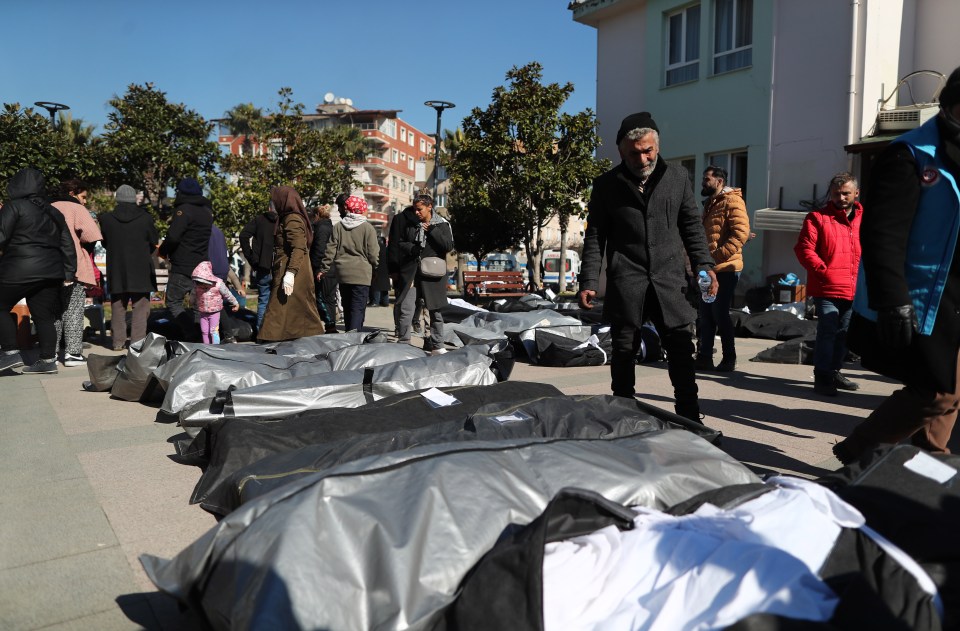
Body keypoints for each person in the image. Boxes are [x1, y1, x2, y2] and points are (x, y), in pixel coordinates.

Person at [835, 66, 960, 463]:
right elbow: (882, 235)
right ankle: (859, 451)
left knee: (952, 391)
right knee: (936, 390)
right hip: (926, 296)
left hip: (957, 295)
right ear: (951, 104)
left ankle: (924, 465)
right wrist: (893, 299)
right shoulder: (909, 154)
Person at [578, 112, 716, 422]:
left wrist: (705, 265)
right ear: (621, 152)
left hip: (670, 281)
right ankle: (623, 418)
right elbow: (595, 236)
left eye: (648, 150)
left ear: (657, 146)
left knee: (681, 352)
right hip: (627, 280)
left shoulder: (678, 177)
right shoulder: (605, 186)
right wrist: (588, 280)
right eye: (634, 153)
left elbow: (692, 227)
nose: (642, 158)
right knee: (624, 354)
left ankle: (690, 420)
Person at [0, 168, 77, 375]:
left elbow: (1, 235)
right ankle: (47, 361)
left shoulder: (14, 206)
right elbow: (67, 244)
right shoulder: (54, 212)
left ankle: (9, 352)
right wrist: (69, 272)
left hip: (19, 268)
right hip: (52, 271)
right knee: (43, 316)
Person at [794, 172, 863, 396]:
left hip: (854, 289)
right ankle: (822, 376)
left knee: (844, 333)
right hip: (826, 287)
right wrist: (824, 271)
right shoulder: (817, 218)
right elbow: (804, 249)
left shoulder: (865, 219)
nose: (841, 198)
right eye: (836, 193)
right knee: (828, 331)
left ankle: (834, 371)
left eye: (846, 193)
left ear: (856, 193)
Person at [695, 166, 750, 372]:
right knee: (706, 313)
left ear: (719, 181)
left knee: (719, 312)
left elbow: (741, 233)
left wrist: (715, 258)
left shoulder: (732, 200)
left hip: (726, 268)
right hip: (709, 270)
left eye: (706, 178)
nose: (703, 182)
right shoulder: (710, 204)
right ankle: (705, 357)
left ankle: (729, 358)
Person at [258, 186, 325, 342]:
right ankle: (308, 341)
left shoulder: (292, 219)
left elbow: (299, 248)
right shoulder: (289, 217)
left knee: (277, 311)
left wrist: (290, 273)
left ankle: (268, 342)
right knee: (300, 311)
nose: (273, 204)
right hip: (293, 272)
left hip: (292, 272)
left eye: (275, 201)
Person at [389, 194, 454, 353]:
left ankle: (437, 345)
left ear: (429, 206)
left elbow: (447, 246)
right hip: (412, 272)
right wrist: (412, 249)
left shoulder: (442, 225)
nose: (416, 212)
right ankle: (404, 343)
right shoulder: (412, 224)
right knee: (406, 307)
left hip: (432, 274)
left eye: (419, 209)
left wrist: (432, 231)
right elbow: (401, 243)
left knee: (435, 311)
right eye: (415, 209)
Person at [99, 185, 159, 351]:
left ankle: (118, 342)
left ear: (117, 198)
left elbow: (105, 243)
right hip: (140, 268)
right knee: (141, 306)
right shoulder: (146, 218)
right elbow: (153, 241)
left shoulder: (106, 219)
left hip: (117, 268)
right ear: (135, 199)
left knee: (118, 306)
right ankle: (137, 343)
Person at [50, 179, 103, 367]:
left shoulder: (47, 206)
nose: (85, 201)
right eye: (83, 196)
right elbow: (92, 235)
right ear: (72, 193)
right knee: (73, 308)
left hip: (48, 265)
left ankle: (51, 353)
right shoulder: (77, 209)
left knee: (53, 311)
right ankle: (72, 354)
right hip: (73, 266)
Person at [157, 178, 213, 339]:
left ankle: (190, 332)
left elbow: (173, 237)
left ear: (181, 193)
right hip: (202, 266)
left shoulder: (183, 210)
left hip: (183, 266)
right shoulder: (206, 212)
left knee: (173, 302)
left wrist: (163, 250)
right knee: (198, 305)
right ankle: (200, 335)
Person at [317, 195, 379, 333]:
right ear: (362, 210)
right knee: (358, 307)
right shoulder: (368, 228)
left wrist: (324, 268)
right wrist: (376, 268)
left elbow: (330, 249)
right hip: (362, 274)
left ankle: (349, 333)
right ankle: (353, 339)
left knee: (347, 305)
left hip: (343, 273)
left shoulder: (339, 227)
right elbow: (373, 254)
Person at [238, 204, 277, 330]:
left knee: (263, 301)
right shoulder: (283, 220)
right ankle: (276, 332)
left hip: (262, 265)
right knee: (279, 302)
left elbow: (243, 235)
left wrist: (252, 259)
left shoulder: (259, 220)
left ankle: (261, 332)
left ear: (269, 208)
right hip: (279, 266)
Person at [191, 261, 239, 344]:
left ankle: (215, 348)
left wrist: (235, 303)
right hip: (203, 312)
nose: (201, 285)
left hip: (215, 312)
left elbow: (227, 294)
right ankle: (207, 347)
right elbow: (193, 294)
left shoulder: (218, 284)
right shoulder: (197, 285)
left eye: (202, 282)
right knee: (204, 331)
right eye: (198, 282)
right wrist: (192, 302)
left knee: (213, 331)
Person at [310, 203, 340, 333]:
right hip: (332, 268)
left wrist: (318, 268)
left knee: (322, 298)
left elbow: (320, 250)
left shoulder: (321, 228)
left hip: (323, 269)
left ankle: (330, 325)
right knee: (329, 299)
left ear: (317, 215)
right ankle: (330, 325)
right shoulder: (330, 227)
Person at [369, 233, 391, 307]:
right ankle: (385, 302)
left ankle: (376, 301)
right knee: (385, 288)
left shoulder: (376, 250)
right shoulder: (387, 250)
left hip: (378, 269)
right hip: (386, 271)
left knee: (376, 286)